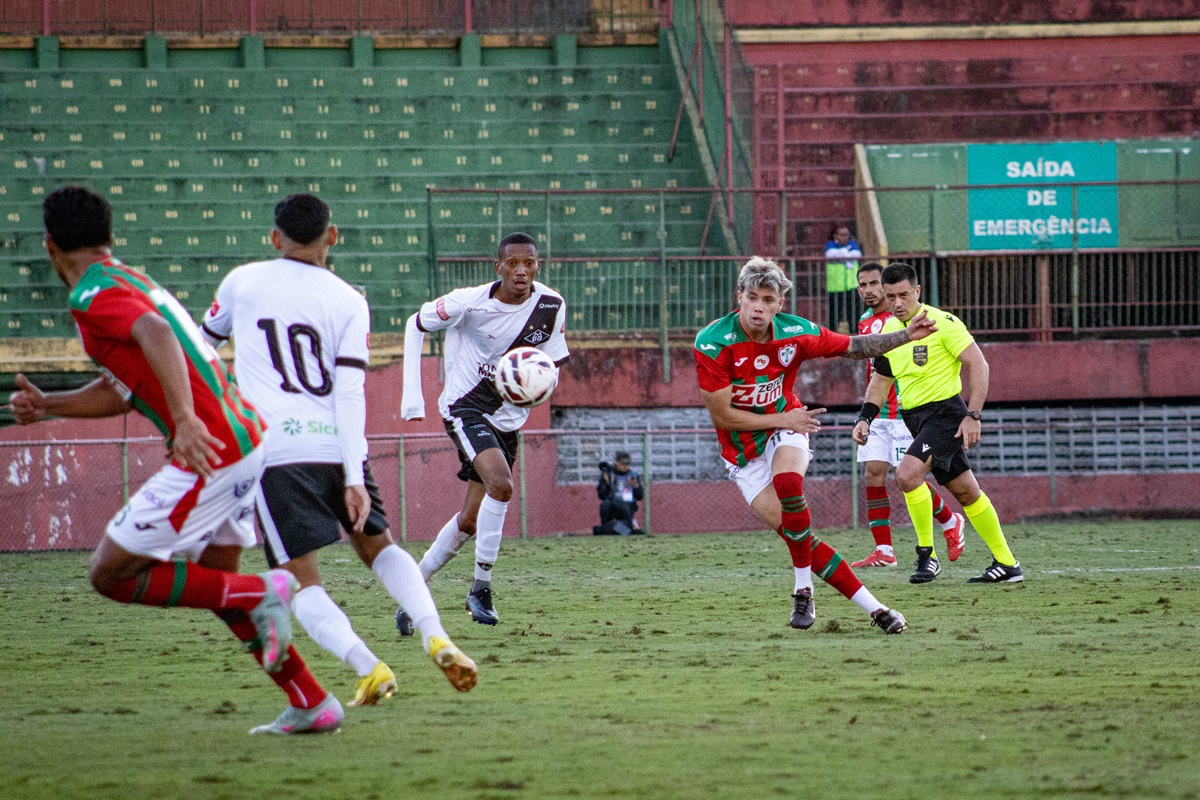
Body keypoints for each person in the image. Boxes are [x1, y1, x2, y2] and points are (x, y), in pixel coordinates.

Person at [13, 186, 341, 735]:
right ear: (110, 237)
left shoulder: (92, 294)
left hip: (211, 447)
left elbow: (157, 333)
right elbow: (124, 388)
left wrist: (185, 419)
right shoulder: (130, 280)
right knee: (216, 586)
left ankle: (267, 590)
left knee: (110, 574)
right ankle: (311, 701)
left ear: (50, 247)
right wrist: (50, 404)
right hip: (243, 439)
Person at [200, 193, 477, 700]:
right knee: (380, 547)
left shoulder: (242, 282)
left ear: (274, 239)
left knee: (301, 580)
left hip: (277, 453)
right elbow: (350, 391)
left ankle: (369, 667)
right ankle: (434, 630)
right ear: (332, 236)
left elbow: (200, 347)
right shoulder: (350, 299)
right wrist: (353, 475)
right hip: (339, 446)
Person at [693, 256, 937, 633]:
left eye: (768, 299)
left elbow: (857, 346)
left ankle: (802, 589)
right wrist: (782, 418)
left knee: (790, 483)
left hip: (785, 427)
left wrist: (906, 335)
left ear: (780, 304)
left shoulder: (795, 332)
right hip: (743, 451)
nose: (759, 306)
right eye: (752, 297)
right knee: (799, 536)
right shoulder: (712, 342)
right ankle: (878, 609)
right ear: (738, 296)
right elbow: (722, 417)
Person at [395, 232, 568, 632]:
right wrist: (412, 400)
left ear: (538, 265)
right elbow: (414, 323)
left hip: (508, 420)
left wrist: (538, 386)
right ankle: (481, 589)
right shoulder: (469, 303)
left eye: (529, 263)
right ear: (498, 266)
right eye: (513, 263)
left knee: (469, 522)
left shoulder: (551, 305)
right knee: (502, 486)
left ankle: (412, 593)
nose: (521, 271)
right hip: (466, 409)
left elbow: (552, 364)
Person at [853, 262, 1023, 584]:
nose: (898, 302)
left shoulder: (943, 323)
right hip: (915, 418)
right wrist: (865, 418)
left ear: (917, 291)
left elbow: (979, 365)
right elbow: (880, 381)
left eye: (904, 294)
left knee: (906, 475)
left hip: (946, 415)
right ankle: (1007, 564)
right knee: (967, 492)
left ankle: (926, 556)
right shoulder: (891, 332)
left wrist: (973, 415)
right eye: (891, 297)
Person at [850, 262, 965, 569]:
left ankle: (949, 520)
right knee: (873, 473)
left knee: (908, 477)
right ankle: (884, 550)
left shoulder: (903, 317)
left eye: (875, 284)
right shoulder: (865, 321)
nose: (870, 290)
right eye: (864, 285)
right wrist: (866, 414)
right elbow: (877, 371)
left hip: (904, 410)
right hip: (877, 411)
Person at [593, 451, 644, 536]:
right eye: (623, 464)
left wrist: (636, 486)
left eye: (627, 464)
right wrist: (606, 484)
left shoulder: (633, 475)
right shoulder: (609, 474)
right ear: (617, 462)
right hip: (611, 506)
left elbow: (639, 496)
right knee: (605, 504)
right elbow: (601, 496)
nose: (626, 467)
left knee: (619, 506)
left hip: (626, 506)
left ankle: (602, 530)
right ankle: (628, 530)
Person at [824, 223, 862, 334]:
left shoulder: (852, 243)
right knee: (834, 314)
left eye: (846, 235)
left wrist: (842, 254)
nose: (845, 237)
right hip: (836, 286)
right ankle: (832, 336)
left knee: (854, 313)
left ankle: (855, 334)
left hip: (852, 284)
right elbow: (831, 255)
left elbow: (857, 254)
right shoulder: (830, 244)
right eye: (842, 235)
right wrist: (846, 252)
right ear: (835, 235)